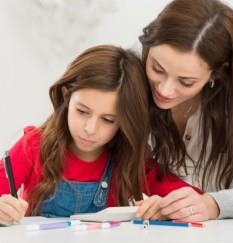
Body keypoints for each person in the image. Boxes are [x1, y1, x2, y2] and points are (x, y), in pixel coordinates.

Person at [0, 45, 200, 225]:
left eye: (108, 120)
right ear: (66, 96)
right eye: (82, 111)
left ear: (124, 122)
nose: (90, 128)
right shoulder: (33, 145)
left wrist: (167, 208)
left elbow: (195, 201)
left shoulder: (129, 160)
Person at [138, 0, 233, 221]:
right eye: (157, 68)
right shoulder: (133, 63)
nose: (165, 90)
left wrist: (213, 204)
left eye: (186, 82)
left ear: (217, 72)